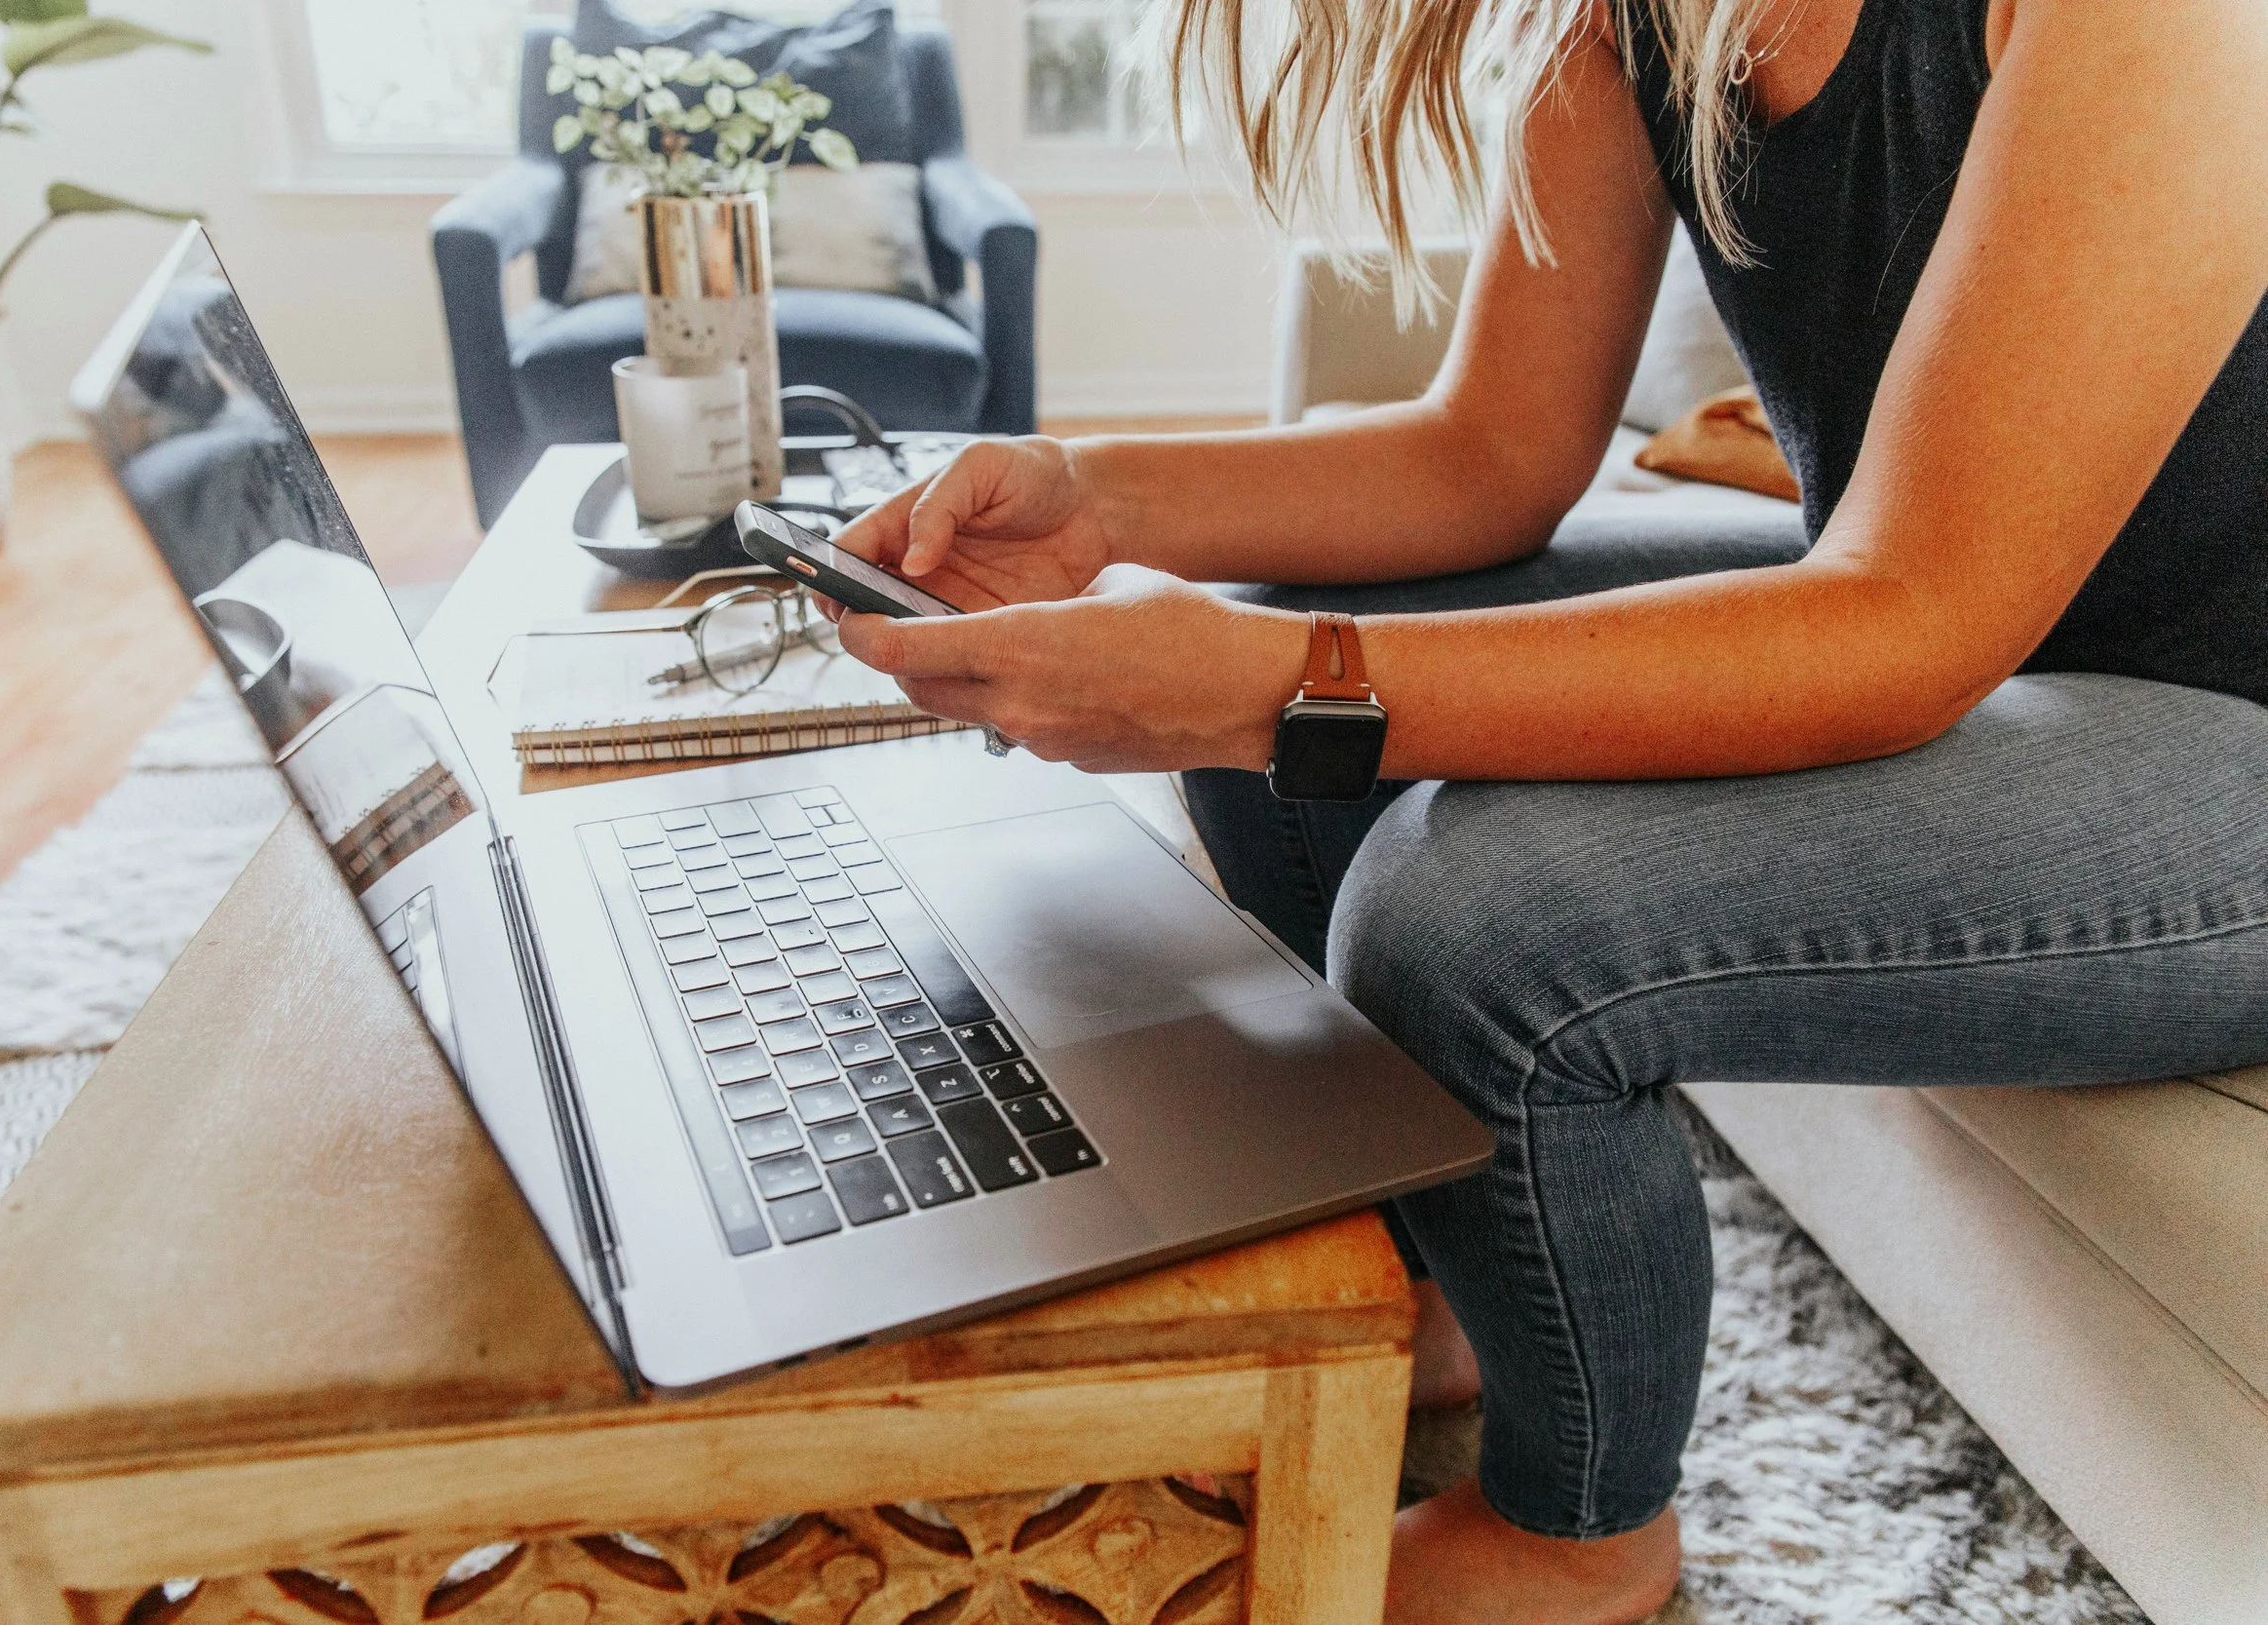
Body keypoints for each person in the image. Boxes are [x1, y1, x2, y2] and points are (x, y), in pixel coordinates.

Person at [831, 0, 2268, 1618]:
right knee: (1308, 616)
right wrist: (1101, 500)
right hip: (1993, 634)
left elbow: (1912, 619)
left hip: (2226, 716)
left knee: (1479, 901)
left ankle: (1579, 1533)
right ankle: (1449, 1293)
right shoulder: (1641, 20)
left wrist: (1266, 682)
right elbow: (1488, 454)